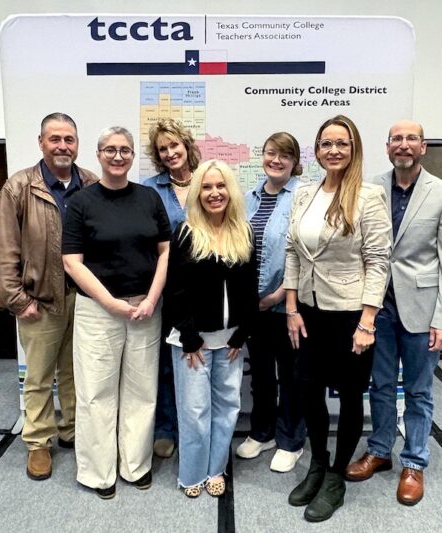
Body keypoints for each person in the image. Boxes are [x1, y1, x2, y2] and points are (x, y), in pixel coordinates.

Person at [346, 120, 442, 506]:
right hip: (378, 308)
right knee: (380, 386)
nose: (404, 145)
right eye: (397, 138)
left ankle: (414, 462)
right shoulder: (370, 188)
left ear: (423, 146)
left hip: (422, 311)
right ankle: (380, 451)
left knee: (418, 390)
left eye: (412, 138)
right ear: (387, 146)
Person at [284, 115, 391, 522]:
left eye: (341, 143)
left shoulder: (368, 196)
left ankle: (336, 476)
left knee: (348, 396)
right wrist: (291, 308)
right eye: (326, 143)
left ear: (354, 148)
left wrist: (367, 323)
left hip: (350, 315)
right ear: (316, 150)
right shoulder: (304, 193)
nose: (333, 150)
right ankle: (317, 463)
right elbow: (293, 252)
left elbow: (378, 261)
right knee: (308, 391)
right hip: (308, 312)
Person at [62, 126, 170, 499]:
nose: (118, 156)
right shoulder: (81, 202)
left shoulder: (149, 198)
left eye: (125, 149)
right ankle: (99, 474)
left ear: (133, 155)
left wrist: (151, 298)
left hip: (145, 309)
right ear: (98, 154)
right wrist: (110, 303)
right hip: (98, 311)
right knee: (96, 393)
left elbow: (165, 252)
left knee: (142, 392)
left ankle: (135, 466)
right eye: (110, 149)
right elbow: (71, 262)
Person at [0, 112, 98, 481]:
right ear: (41, 142)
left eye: (69, 139)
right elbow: (3, 249)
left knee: (75, 372)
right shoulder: (19, 187)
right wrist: (18, 300)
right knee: (38, 376)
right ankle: (38, 441)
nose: (62, 146)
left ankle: (71, 429)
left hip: (83, 300)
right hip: (40, 301)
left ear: (77, 144)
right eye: (55, 139)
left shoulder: (91, 184)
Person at [165, 159, 258, 498]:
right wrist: (189, 336)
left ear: (230, 191)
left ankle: (216, 468)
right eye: (206, 187)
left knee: (227, 407)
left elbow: (250, 287)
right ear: (197, 193)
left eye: (220, 186)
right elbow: (174, 289)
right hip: (193, 343)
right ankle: (192, 474)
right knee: (194, 411)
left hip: (230, 341)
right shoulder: (186, 233)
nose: (214, 193)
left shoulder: (244, 232)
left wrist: (243, 331)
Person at [237, 132, 306, 473]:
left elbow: (306, 252)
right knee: (262, 374)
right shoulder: (248, 198)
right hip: (254, 306)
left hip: (287, 304)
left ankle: (291, 440)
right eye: (270, 153)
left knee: (291, 375)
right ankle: (262, 432)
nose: (276, 160)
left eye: (284, 155)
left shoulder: (304, 197)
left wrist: (280, 294)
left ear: (295, 162)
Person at [143, 118, 202, 459]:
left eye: (174, 145)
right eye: (162, 149)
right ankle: (166, 427)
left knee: (201, 360)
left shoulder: (208, 180)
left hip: (205, 290)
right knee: (166, 362)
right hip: (164, 289)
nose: (169, 153)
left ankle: (196, 427)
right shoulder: (149, 189)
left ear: (187, 145)